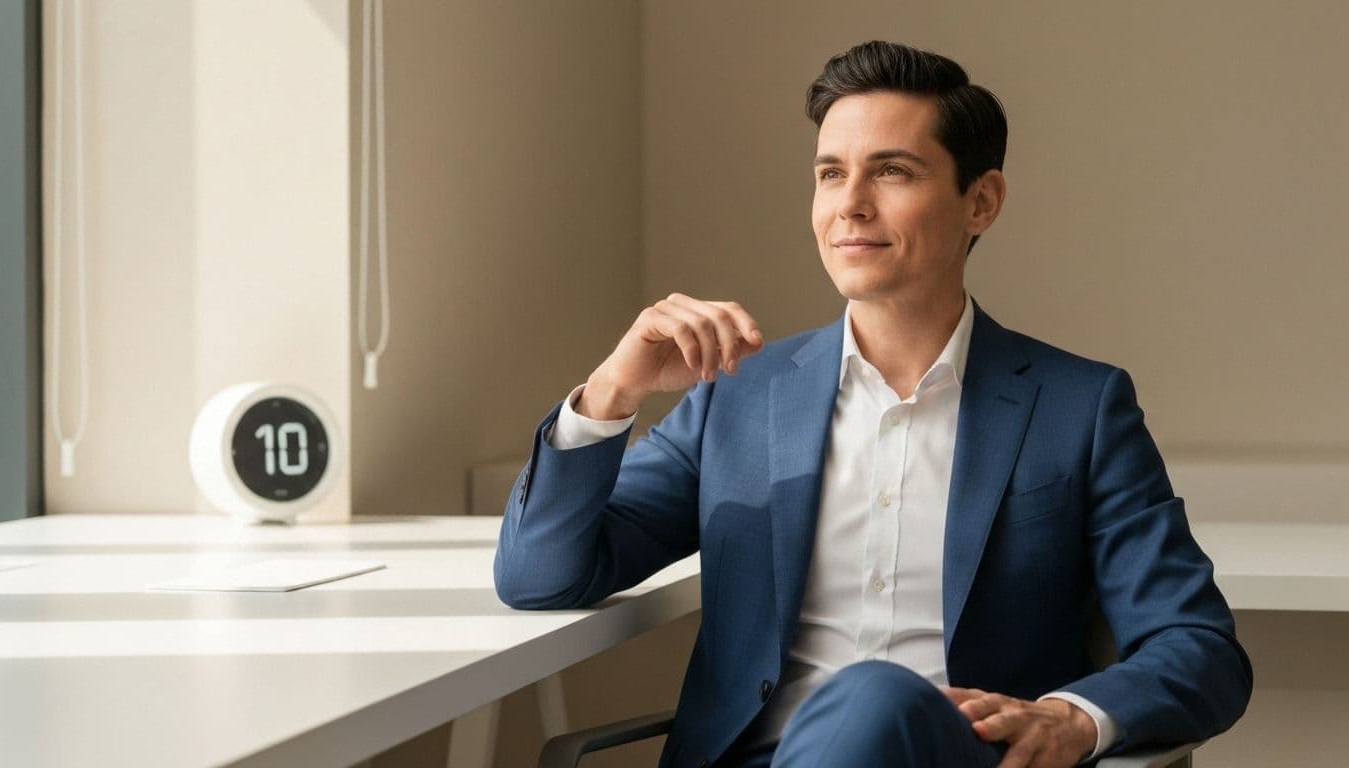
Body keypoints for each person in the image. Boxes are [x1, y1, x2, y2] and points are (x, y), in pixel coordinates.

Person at [494, 40, 1251, 768]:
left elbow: (1197, 645)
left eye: (890, 171)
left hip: (963, 755)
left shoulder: (1079, 408)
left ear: (980, 201)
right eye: (830, 174)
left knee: (873, 699)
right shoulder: (740, 399)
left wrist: (1070, 720)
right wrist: (611, 393)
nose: (850, 204)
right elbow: (542, 575)